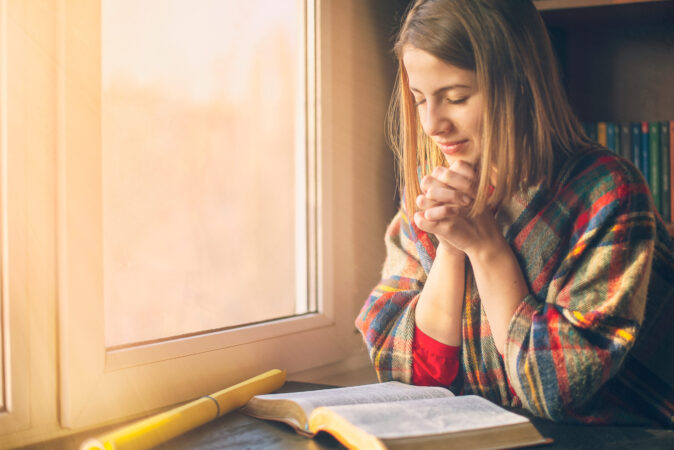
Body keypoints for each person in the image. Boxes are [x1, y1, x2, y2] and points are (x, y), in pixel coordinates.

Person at [355, 0, 674, 426]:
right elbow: (410, 376)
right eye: (419, 100)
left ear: (519, 83)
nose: (432, 124)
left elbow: (555, 387)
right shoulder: (433, 187)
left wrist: (484, 247)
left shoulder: (607, 192)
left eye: (456, 97)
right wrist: (451, 249)